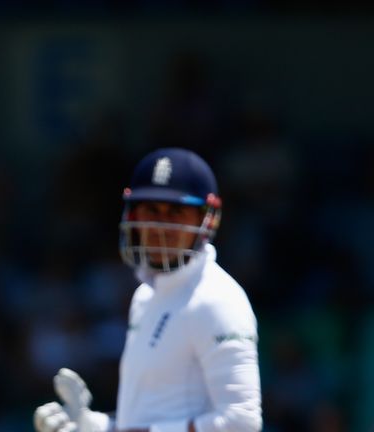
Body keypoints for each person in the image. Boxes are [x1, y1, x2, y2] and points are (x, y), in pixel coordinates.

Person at [33, 148, 262, 432]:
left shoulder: (217, 300)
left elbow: (242, 422)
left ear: (207, 220)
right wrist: (92, 425)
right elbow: (146, 419)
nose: (159, 224)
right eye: (151, 209)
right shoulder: (145, 297)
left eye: (176, 211)